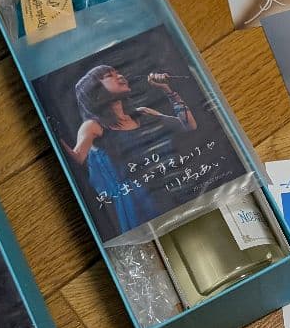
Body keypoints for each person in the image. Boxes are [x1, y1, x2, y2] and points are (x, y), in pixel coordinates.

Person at [63, 65, 196, 233]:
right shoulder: (94, 126)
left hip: (170, 189)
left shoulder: (143, 113)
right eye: (109, 75)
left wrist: (168, 90)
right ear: (95, 91)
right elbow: (77, 158)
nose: (120, 76)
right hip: (140, 204)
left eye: (118, 72)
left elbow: (188, 125)